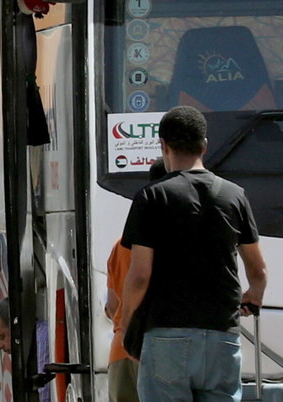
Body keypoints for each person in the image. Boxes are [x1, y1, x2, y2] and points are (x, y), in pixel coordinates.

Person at [119, 106, 266, 402]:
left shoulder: (152, 196)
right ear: (205, 146)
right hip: (223, 336)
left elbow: (139, 276)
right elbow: (258, 269)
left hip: (166, 334)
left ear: (164, 146)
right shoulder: (234, 194)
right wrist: (254, 295)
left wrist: (127, 324)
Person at [104, 159, 165, 402]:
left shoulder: (122, 244)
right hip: (162, 349)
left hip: (122, 349)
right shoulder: (181, 239)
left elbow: (111, 306)